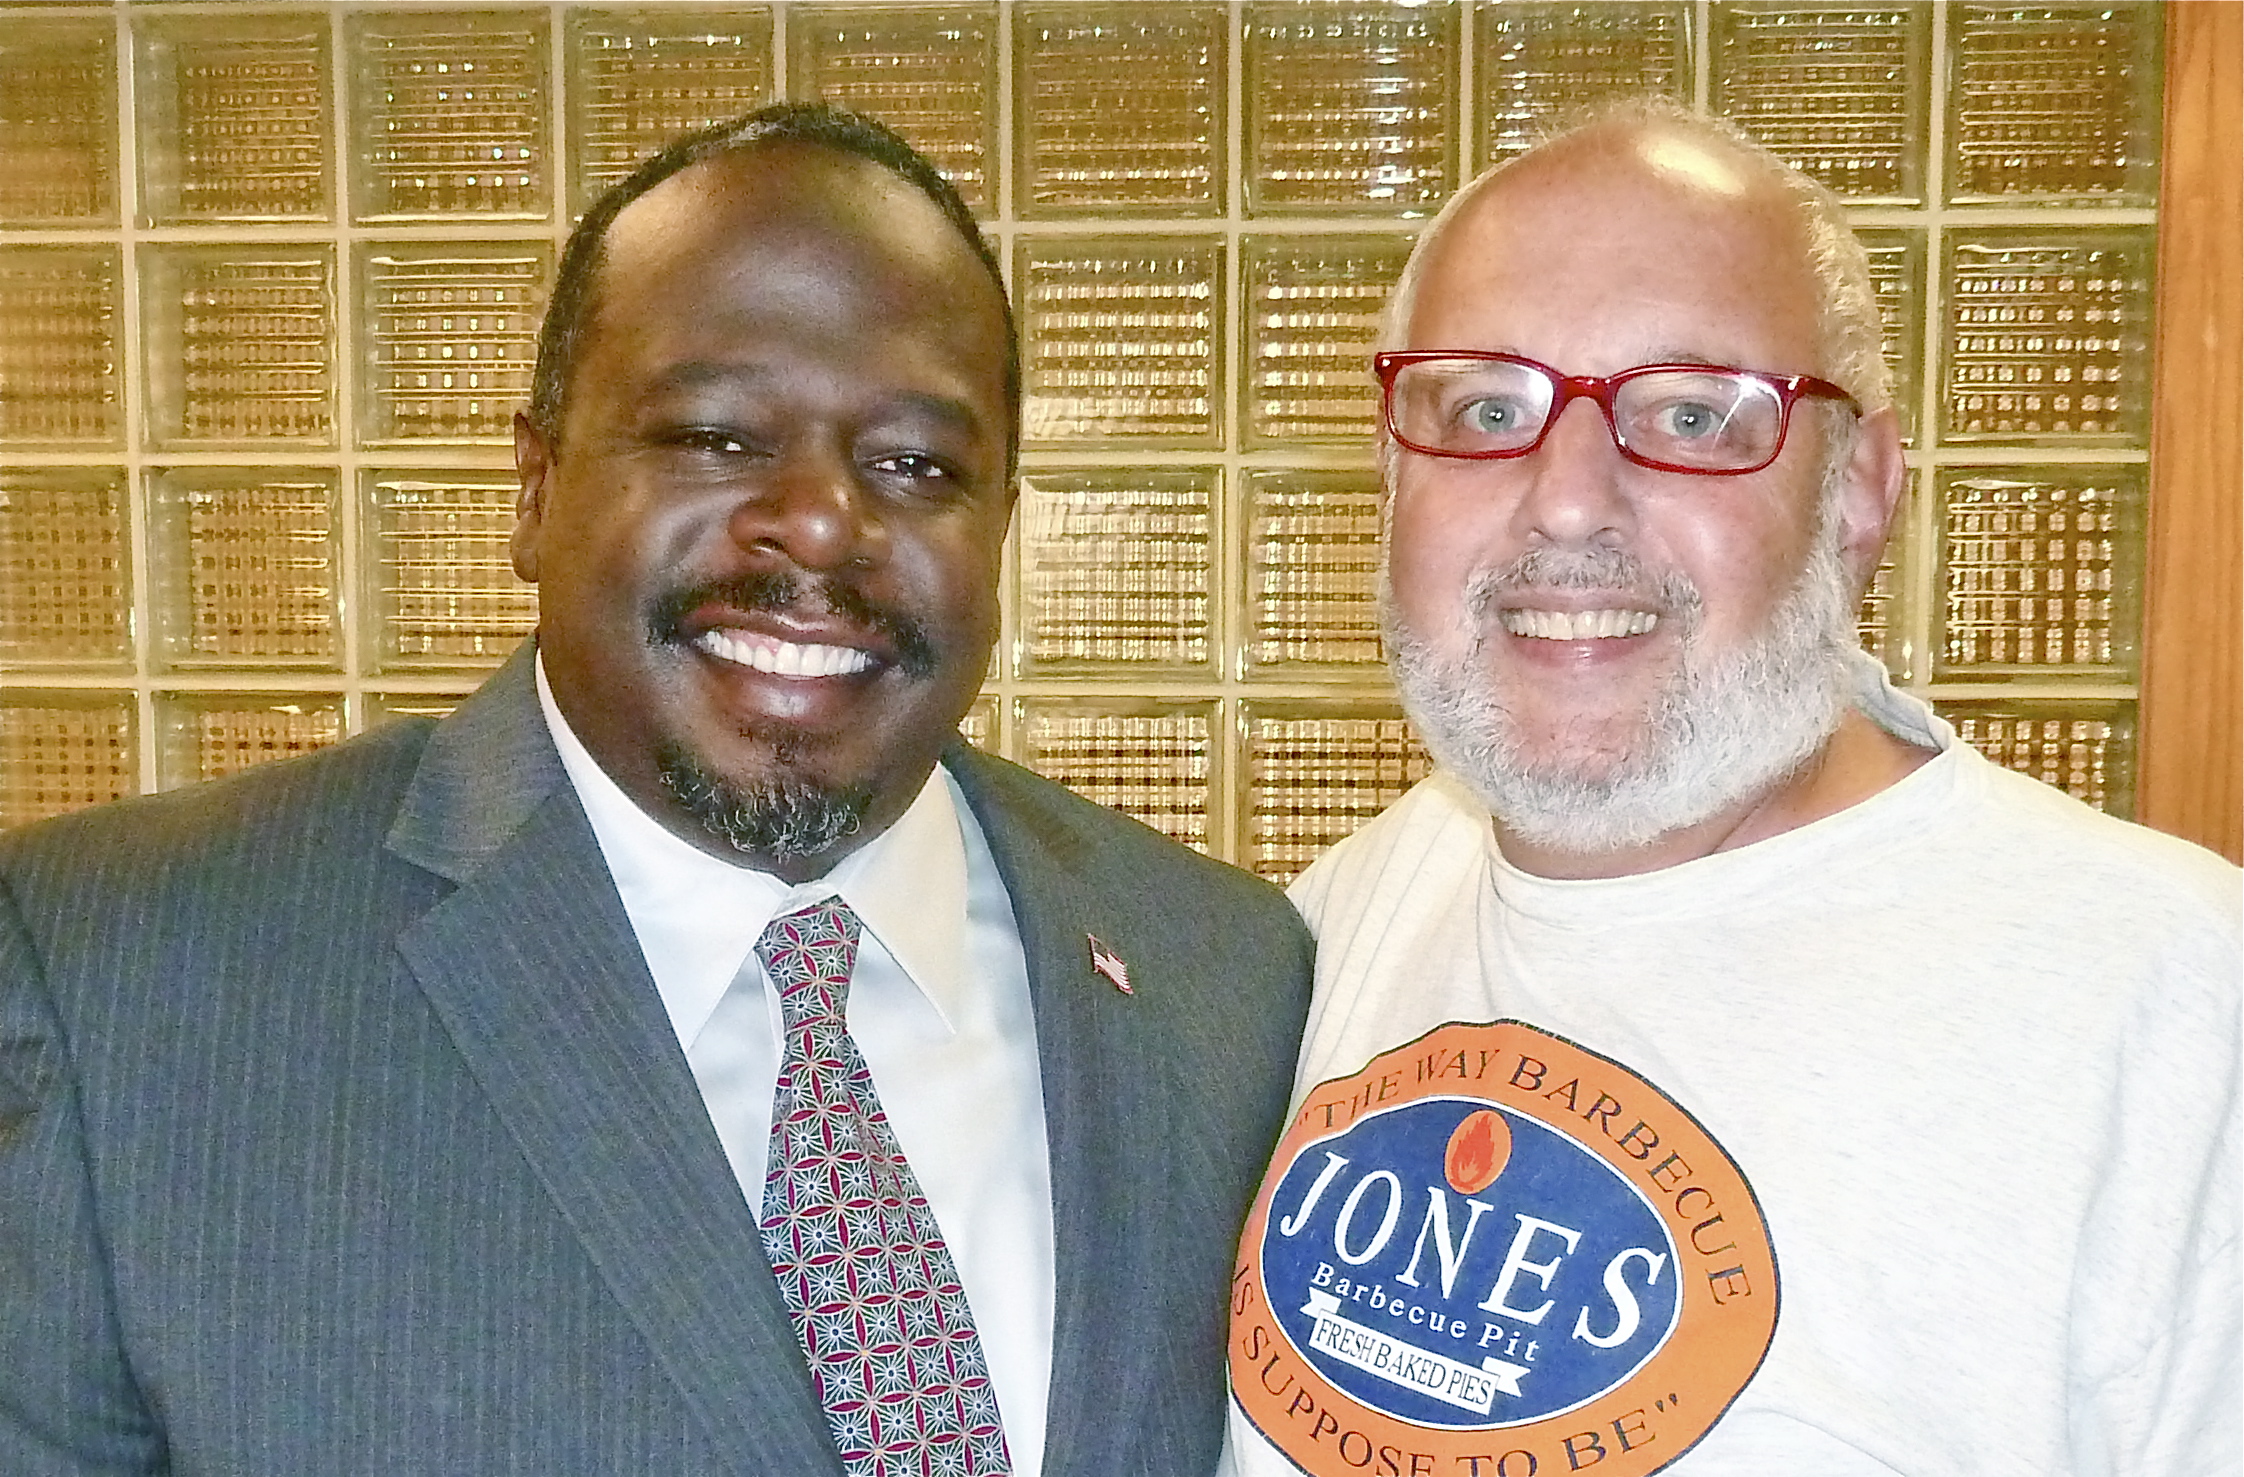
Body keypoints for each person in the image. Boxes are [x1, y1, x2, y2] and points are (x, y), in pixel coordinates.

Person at [0, 104, 1312, 1477]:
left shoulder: (1226, 975)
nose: (818, 520)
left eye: (917, 462)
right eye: (712, 434)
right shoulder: (115, 980)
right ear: (534, 484)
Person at [1222, 99, 2238, 1477]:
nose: (1567, 500)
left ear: (1859, 491)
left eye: (1692, 413)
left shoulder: (2173, 1005)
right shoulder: (1345, 912)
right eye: (1486, 408)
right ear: (1392, 472)